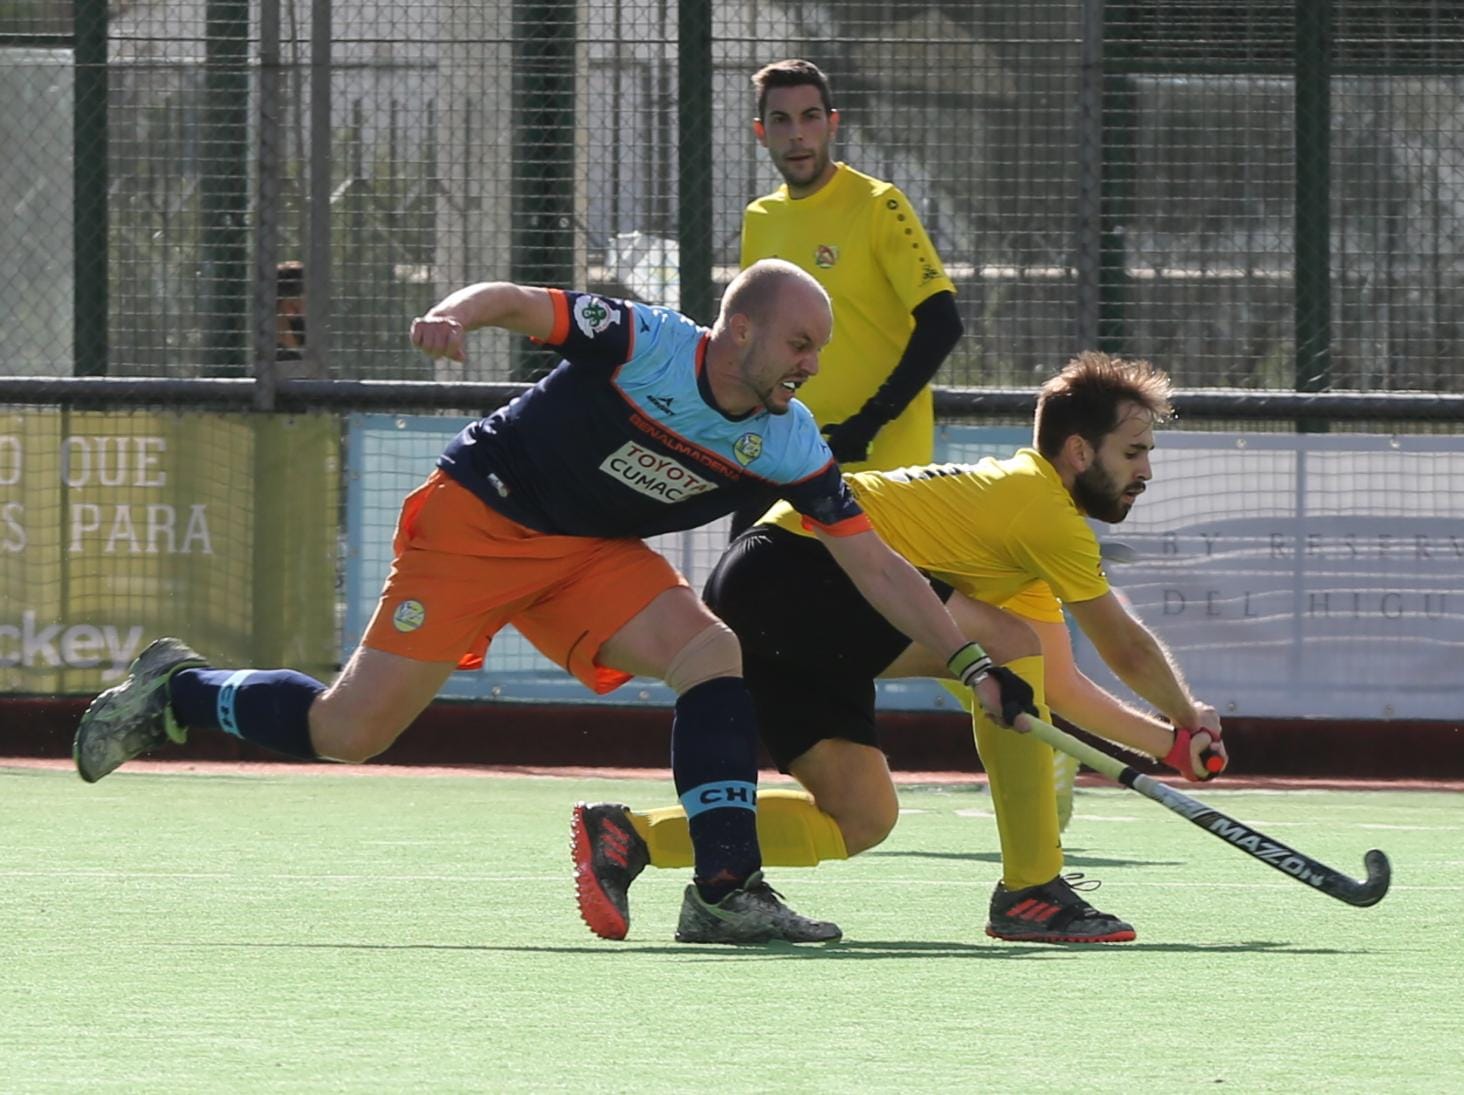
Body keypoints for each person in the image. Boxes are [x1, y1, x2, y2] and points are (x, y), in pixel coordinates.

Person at [72, 259, 1036, 946]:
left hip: (586, 554)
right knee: (347, 730)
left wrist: (968, 662)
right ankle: (180, 691)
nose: (810, 365)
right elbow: (526, 305)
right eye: (799, 342)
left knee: (711, 652)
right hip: (479, 520)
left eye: (818, 349)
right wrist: (457, 312)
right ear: (739, 328)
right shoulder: (647, 343)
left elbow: (877, 568)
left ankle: (725, 888)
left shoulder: (786, 440)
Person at [572, 351, 1227, 944]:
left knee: (862, 815)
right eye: (1134, 450)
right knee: (1006, 642)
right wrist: (1188, 714)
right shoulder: (1042, 511)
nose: (1147, 469)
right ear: (1081, 452)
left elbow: (1054, 684)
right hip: (792, 567)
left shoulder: (1018, 539)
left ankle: (629, 837)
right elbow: (1126, 649)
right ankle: (1032, 891)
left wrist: (1167, 743)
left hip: (788, 599)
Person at [728, 59, 963, 535]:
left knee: (878, 605)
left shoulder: (879, 205)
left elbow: (943, 324)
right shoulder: (761, 218)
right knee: (739, 584)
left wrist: (871, 420)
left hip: (881, 467)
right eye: (781, 120)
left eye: (810, 117)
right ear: (760, 132)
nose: (797, 134)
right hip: (791, 453)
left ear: (832, 124)